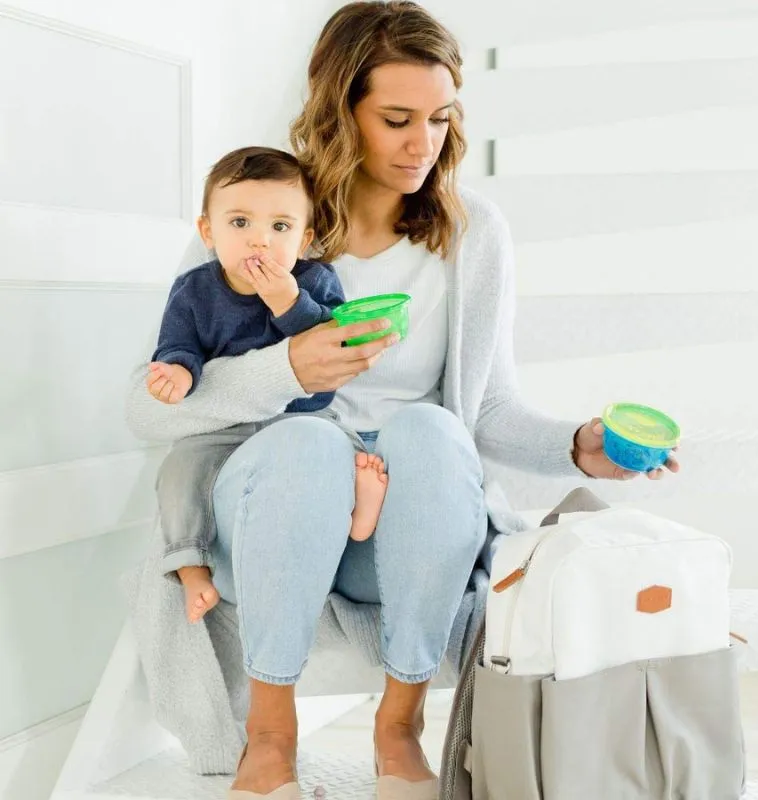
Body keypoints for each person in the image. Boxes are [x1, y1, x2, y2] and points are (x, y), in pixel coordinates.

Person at [125, 3, 679, 799]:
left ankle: (400, 723)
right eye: (396, 119)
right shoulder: (257, 215)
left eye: (441, 119)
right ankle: (270, 734)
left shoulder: (470, 232)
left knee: (430, 427)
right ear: (339, 112)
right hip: (274, 522)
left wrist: (576, 446)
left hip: (411, 530)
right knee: (308, 446)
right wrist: (287, 369)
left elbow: (484, 415)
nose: (424, 144)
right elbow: (147, 412)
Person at [148, 146, 389, 625]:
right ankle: (191, 566)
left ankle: (356, 516)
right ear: (208, 232)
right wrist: (177, 370)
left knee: (338, 447)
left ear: (304, 240)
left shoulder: (316, 279)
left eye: (279, 227)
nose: (259, 241)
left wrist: (288, 301)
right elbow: (179, 344)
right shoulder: (194, 289)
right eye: (240, 223)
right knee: (177, 471)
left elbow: (332, 338)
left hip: (306, 419)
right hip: (227, 428)